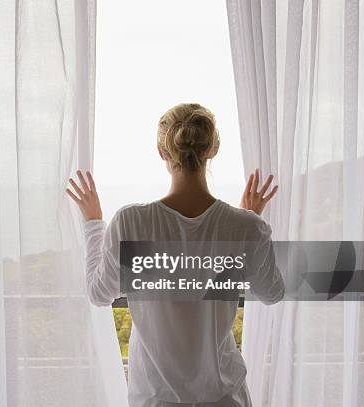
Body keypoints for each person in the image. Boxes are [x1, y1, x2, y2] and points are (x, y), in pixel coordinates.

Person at [66, 103, 285, 407]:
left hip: (156, 400)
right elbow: (271, 292)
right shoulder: (246, 226)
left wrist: (93, 225)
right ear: (213, 150)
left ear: (162, 152)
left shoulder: (131, 221)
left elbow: (100, 293)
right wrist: (248, 223)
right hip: (226, 399)